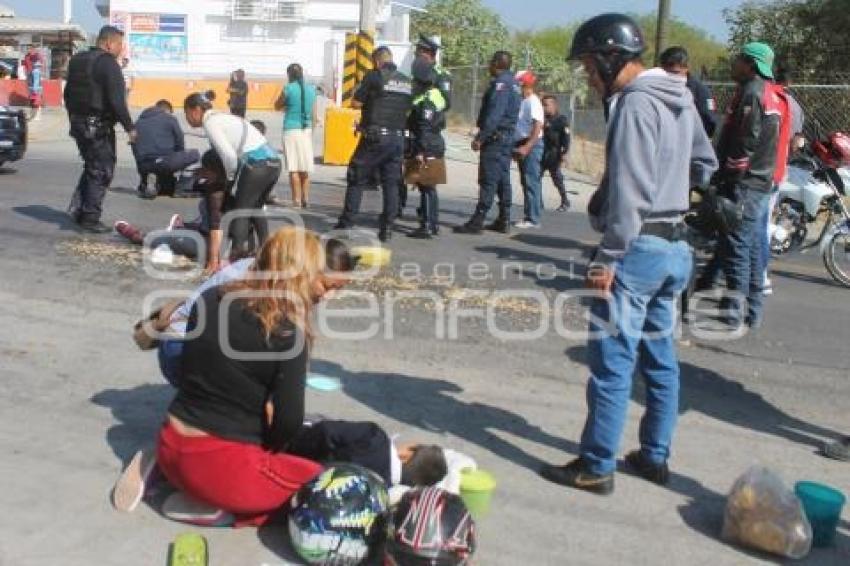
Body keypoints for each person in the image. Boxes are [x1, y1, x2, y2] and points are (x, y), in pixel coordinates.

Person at [539, 13, 717, 494]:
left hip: (637, 249)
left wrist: (609, 257)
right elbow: (706, 163)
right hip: (676, 247)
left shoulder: (635, 104)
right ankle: (654, 456)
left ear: (607, 58)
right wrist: (676, 192)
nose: (588, 78)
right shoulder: (681, 95)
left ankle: (597, 466)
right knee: (660, 358)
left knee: (613, 363)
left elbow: (633, 190)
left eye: (588, 67)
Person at [151, 228, 342, 527]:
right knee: (326, 486)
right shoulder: (286, 331)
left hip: (169, 444)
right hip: (219, 467)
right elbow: (288, 422)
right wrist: (271, 449)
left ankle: (184, 484)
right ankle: (222, 507)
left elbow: (193, 372)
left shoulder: (212, 297)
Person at [709, 43, 783, 328]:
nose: (734, 64)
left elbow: (746, 142)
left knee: (737, 247)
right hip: (760, 182)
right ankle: (752, 311)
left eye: (738, 60)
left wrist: (729, 176)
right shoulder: (770, 93)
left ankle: (735, 312)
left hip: (747, 184)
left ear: (750, 64)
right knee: (750, 247)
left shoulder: (753, 92)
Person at [183, 91, 281, 269]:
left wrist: (229, 180)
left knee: (240, 213)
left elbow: (229, 156)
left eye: (187, 114)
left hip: (255, 164)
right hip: (273, 163)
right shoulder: (224, 117)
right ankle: (268, 253)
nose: (187, 119)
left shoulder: (210, 122)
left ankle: (234, 262)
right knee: (256, 209)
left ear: (196, 110)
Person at [334, 47, 412, 242]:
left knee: (356, 177)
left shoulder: (374, 76)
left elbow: (356, 103)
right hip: (397, 138)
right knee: (391, 183)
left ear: (376, 61)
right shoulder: (406, 81)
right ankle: (387, 228)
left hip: (375, 138)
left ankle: (347, 222)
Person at [64, 26, 136, 233]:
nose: (122, 49)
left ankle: (79, 209)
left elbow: (67, 94)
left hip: (79, 124)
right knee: (102, 171)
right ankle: (89, 218)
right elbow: (117, 101)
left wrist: (74, 120)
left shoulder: (78, 60)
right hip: (97, 126)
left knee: (91, 166)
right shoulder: (108, 63)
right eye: (120, 45)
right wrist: (130, 128)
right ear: (108, 43)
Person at [453, 51, 522, 235]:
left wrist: (480, 137)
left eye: (491, 62)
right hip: (506, 138)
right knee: (502, 179)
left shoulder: (501, 84)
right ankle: (504, 218)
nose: (488, 66)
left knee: (488, 179)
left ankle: (478, 220)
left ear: (498, 63)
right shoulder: (514, 84)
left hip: (495, 139)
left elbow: (495, 115)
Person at [405, 58, 447, 240]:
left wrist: (421, 151)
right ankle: (433, 223)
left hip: (427, 145)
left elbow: (424, 127)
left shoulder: (426, 100)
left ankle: (427, 225)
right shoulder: (437, 95)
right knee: (428, 186)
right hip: (434, 143)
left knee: (427, 185)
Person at [133, 99, 200, 199]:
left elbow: (135, 149)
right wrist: (178, 162)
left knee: (163, 182)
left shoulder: (137, 123)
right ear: (167, 110)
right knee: (195, 154)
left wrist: (142, 173)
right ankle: (182, 188)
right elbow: (179, 142)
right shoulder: (170, 118)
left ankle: (148, 183)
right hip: (165, 162)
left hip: (144, 165)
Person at [276, 63, 318, 208]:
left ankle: (296, 200)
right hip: (305, 131)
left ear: (289, 75)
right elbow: (314, 115)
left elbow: (277, 105)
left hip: (291, 130)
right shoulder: (312, 90)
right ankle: (306, 198)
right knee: (304, 168)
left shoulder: (288, 88)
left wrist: (287, 105)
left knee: (294, 168)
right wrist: (310, 132)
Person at [659, 46, 718, 137]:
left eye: (675, 73)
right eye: (666, 73)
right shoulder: (660, 87)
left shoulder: (701, 91)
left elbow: (710, 120)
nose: (671, 78)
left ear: (686, 68)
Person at [513, 71, 545, 229]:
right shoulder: (523, 101)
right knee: (526, 180)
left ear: (525, 84)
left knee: (531, 180)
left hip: (531, 144)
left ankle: (532, 218)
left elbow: (537, 125)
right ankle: (531, 214)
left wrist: (527, 146)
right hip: (523, 142)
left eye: (519, 83)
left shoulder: (533, 101)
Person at [541, 95, 571, 212]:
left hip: (554, 153)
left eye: (546, 105)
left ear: (554, 105)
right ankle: (538, 202)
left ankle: (565, 201)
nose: (544, 108)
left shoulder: (561, 120)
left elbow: (566, 137)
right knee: (535, 177)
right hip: (542, 152)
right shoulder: (542, 118)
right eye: (542, 105)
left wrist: (565, 152)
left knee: (557, 178)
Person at [414, 34, 452, 111]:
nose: (415, 54)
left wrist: (427, 106)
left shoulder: (442, 75)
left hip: (432, 119)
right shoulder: (417, 71)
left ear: (428, 53)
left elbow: (446, 102)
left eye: (418, 51)